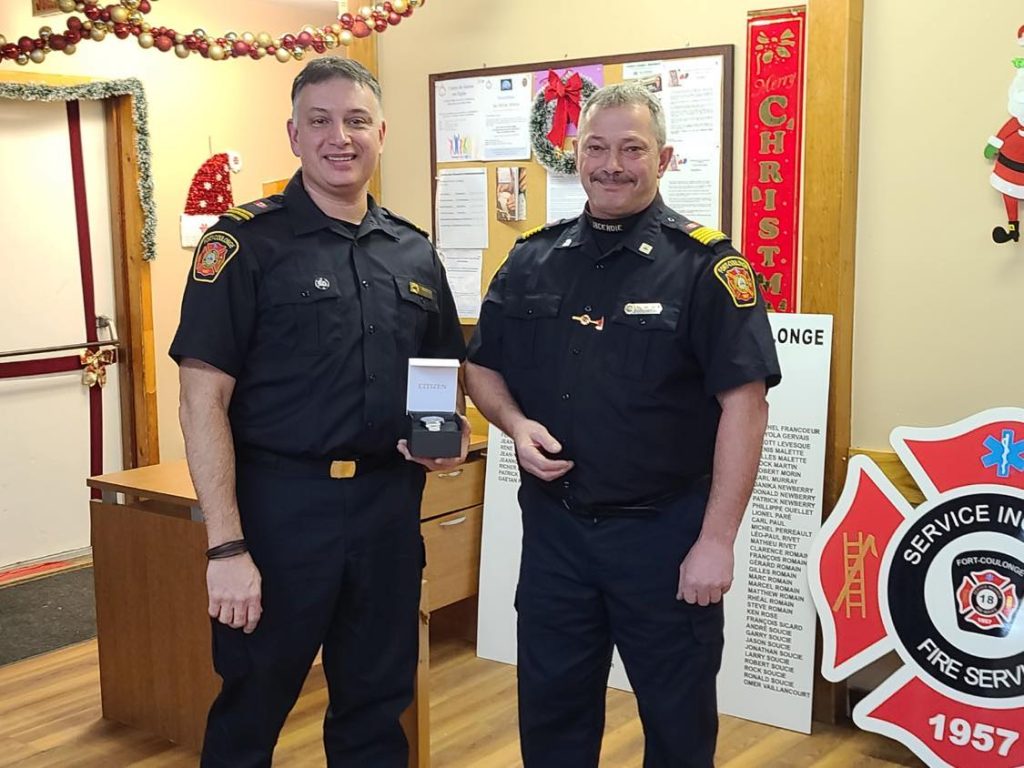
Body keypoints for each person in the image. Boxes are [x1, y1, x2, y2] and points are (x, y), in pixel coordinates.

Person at [465, 82, 781, 768]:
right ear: (575, 153)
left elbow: (745, 407)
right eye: (597, 147)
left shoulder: (707, 268)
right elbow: (482, 368)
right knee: (552, 716)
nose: (612, 163)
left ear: (663, 158)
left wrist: (717, 541)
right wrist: (514, 424)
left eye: (631, 148)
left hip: (663, 538)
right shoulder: (531, 259)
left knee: (677, 724)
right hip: (557, 535)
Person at [170, 57, 467, 768]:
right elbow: (199, 398)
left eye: (357, 120)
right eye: (321, 121)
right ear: (294, 135)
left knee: (377, 705)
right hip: (279, 513)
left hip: (387, 509)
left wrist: (440, 432)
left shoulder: (413, 251)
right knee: (252, 706)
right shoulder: (243, 243)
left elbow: (440, 371)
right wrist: (226, 548)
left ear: (382, 132)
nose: (341, 137)